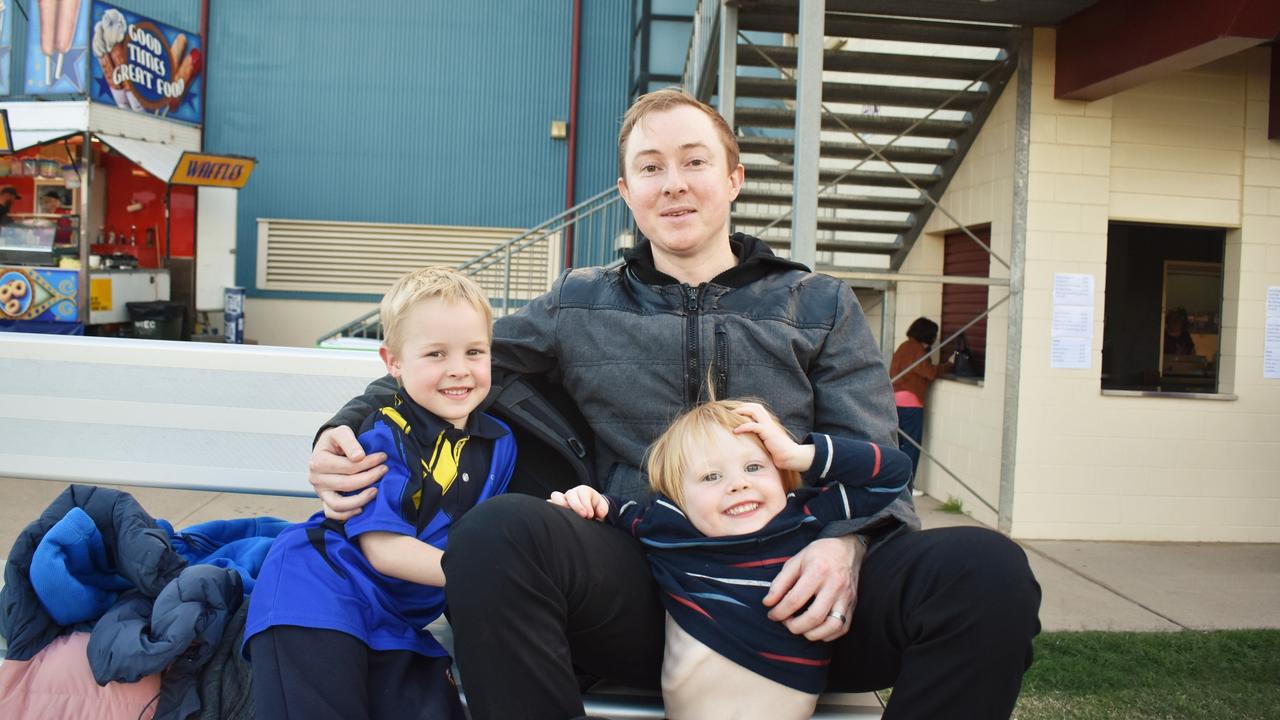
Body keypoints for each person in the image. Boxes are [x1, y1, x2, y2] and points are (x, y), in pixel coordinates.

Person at [310, 89, 1040, 720]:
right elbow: (455, 361)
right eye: (650, 169)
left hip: (799, 591)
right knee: (495, 536)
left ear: (733, 178)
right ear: (627, 194)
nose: (674, 184)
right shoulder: (579, 301)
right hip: (639, 585)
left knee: (987, 571)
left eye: (694, 161)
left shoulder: (816, 303)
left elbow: (873, 452)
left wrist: (847, 545)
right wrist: (344, 427)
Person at [244, 266, 516, 720]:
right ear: (393, 363)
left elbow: (482, 531)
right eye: (435, 354)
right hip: (318, 593)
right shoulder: (384, 435)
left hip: (397, 618)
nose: (459, 370)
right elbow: (384, 551)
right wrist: (492, 577)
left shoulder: (499, 443)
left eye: (474, 351)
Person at [549, 399, 911, 719]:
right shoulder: (668, 528)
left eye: (754, 467)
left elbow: (894, 473)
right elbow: (610, 509)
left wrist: (801, 454)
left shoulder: (804, 517)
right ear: (678, 499)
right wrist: (587, 498)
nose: (738, 484)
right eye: (711, 476)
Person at [889, 317, 955, 493]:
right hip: (911, 403)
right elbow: (929, 373)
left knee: (896, 445)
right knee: (912, 447)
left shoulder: (903, 346)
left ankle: (893, 484)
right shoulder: (917, 350)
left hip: (894, 401)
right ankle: (908, 487)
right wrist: (949, 364)